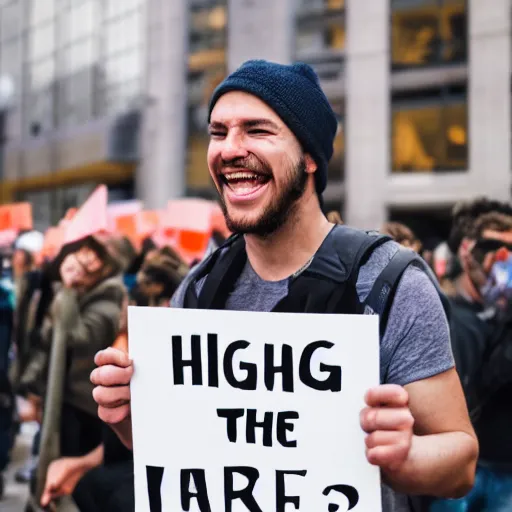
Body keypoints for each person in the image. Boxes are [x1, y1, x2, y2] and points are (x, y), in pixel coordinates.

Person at [91, 60, 478, 512]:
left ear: (310, 157)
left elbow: (461, 462)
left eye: (257, 130)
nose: (229, 149)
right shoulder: (200, 288)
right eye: (218, 132)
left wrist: (404, 455)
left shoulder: (389, 283)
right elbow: (185, 450)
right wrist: (126, 416)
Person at [431, 211, 512, 511]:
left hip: (503, 468)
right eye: (492, 249)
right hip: (458, 470)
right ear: (467, 254)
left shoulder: (501, 315)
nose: (502, 261)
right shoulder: (448, 314)